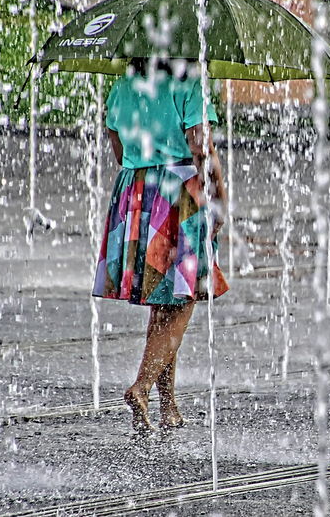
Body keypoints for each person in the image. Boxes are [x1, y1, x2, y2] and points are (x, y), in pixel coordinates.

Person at [93, 57, 229, 432]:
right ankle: (142, 386)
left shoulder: (122, 86)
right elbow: (200, 148)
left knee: (165, 302)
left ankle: (167, 402)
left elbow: (119, 150)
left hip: (135, 194)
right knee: (184, 300)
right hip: (179, 194)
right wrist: (220, 199)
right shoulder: (189, 83)